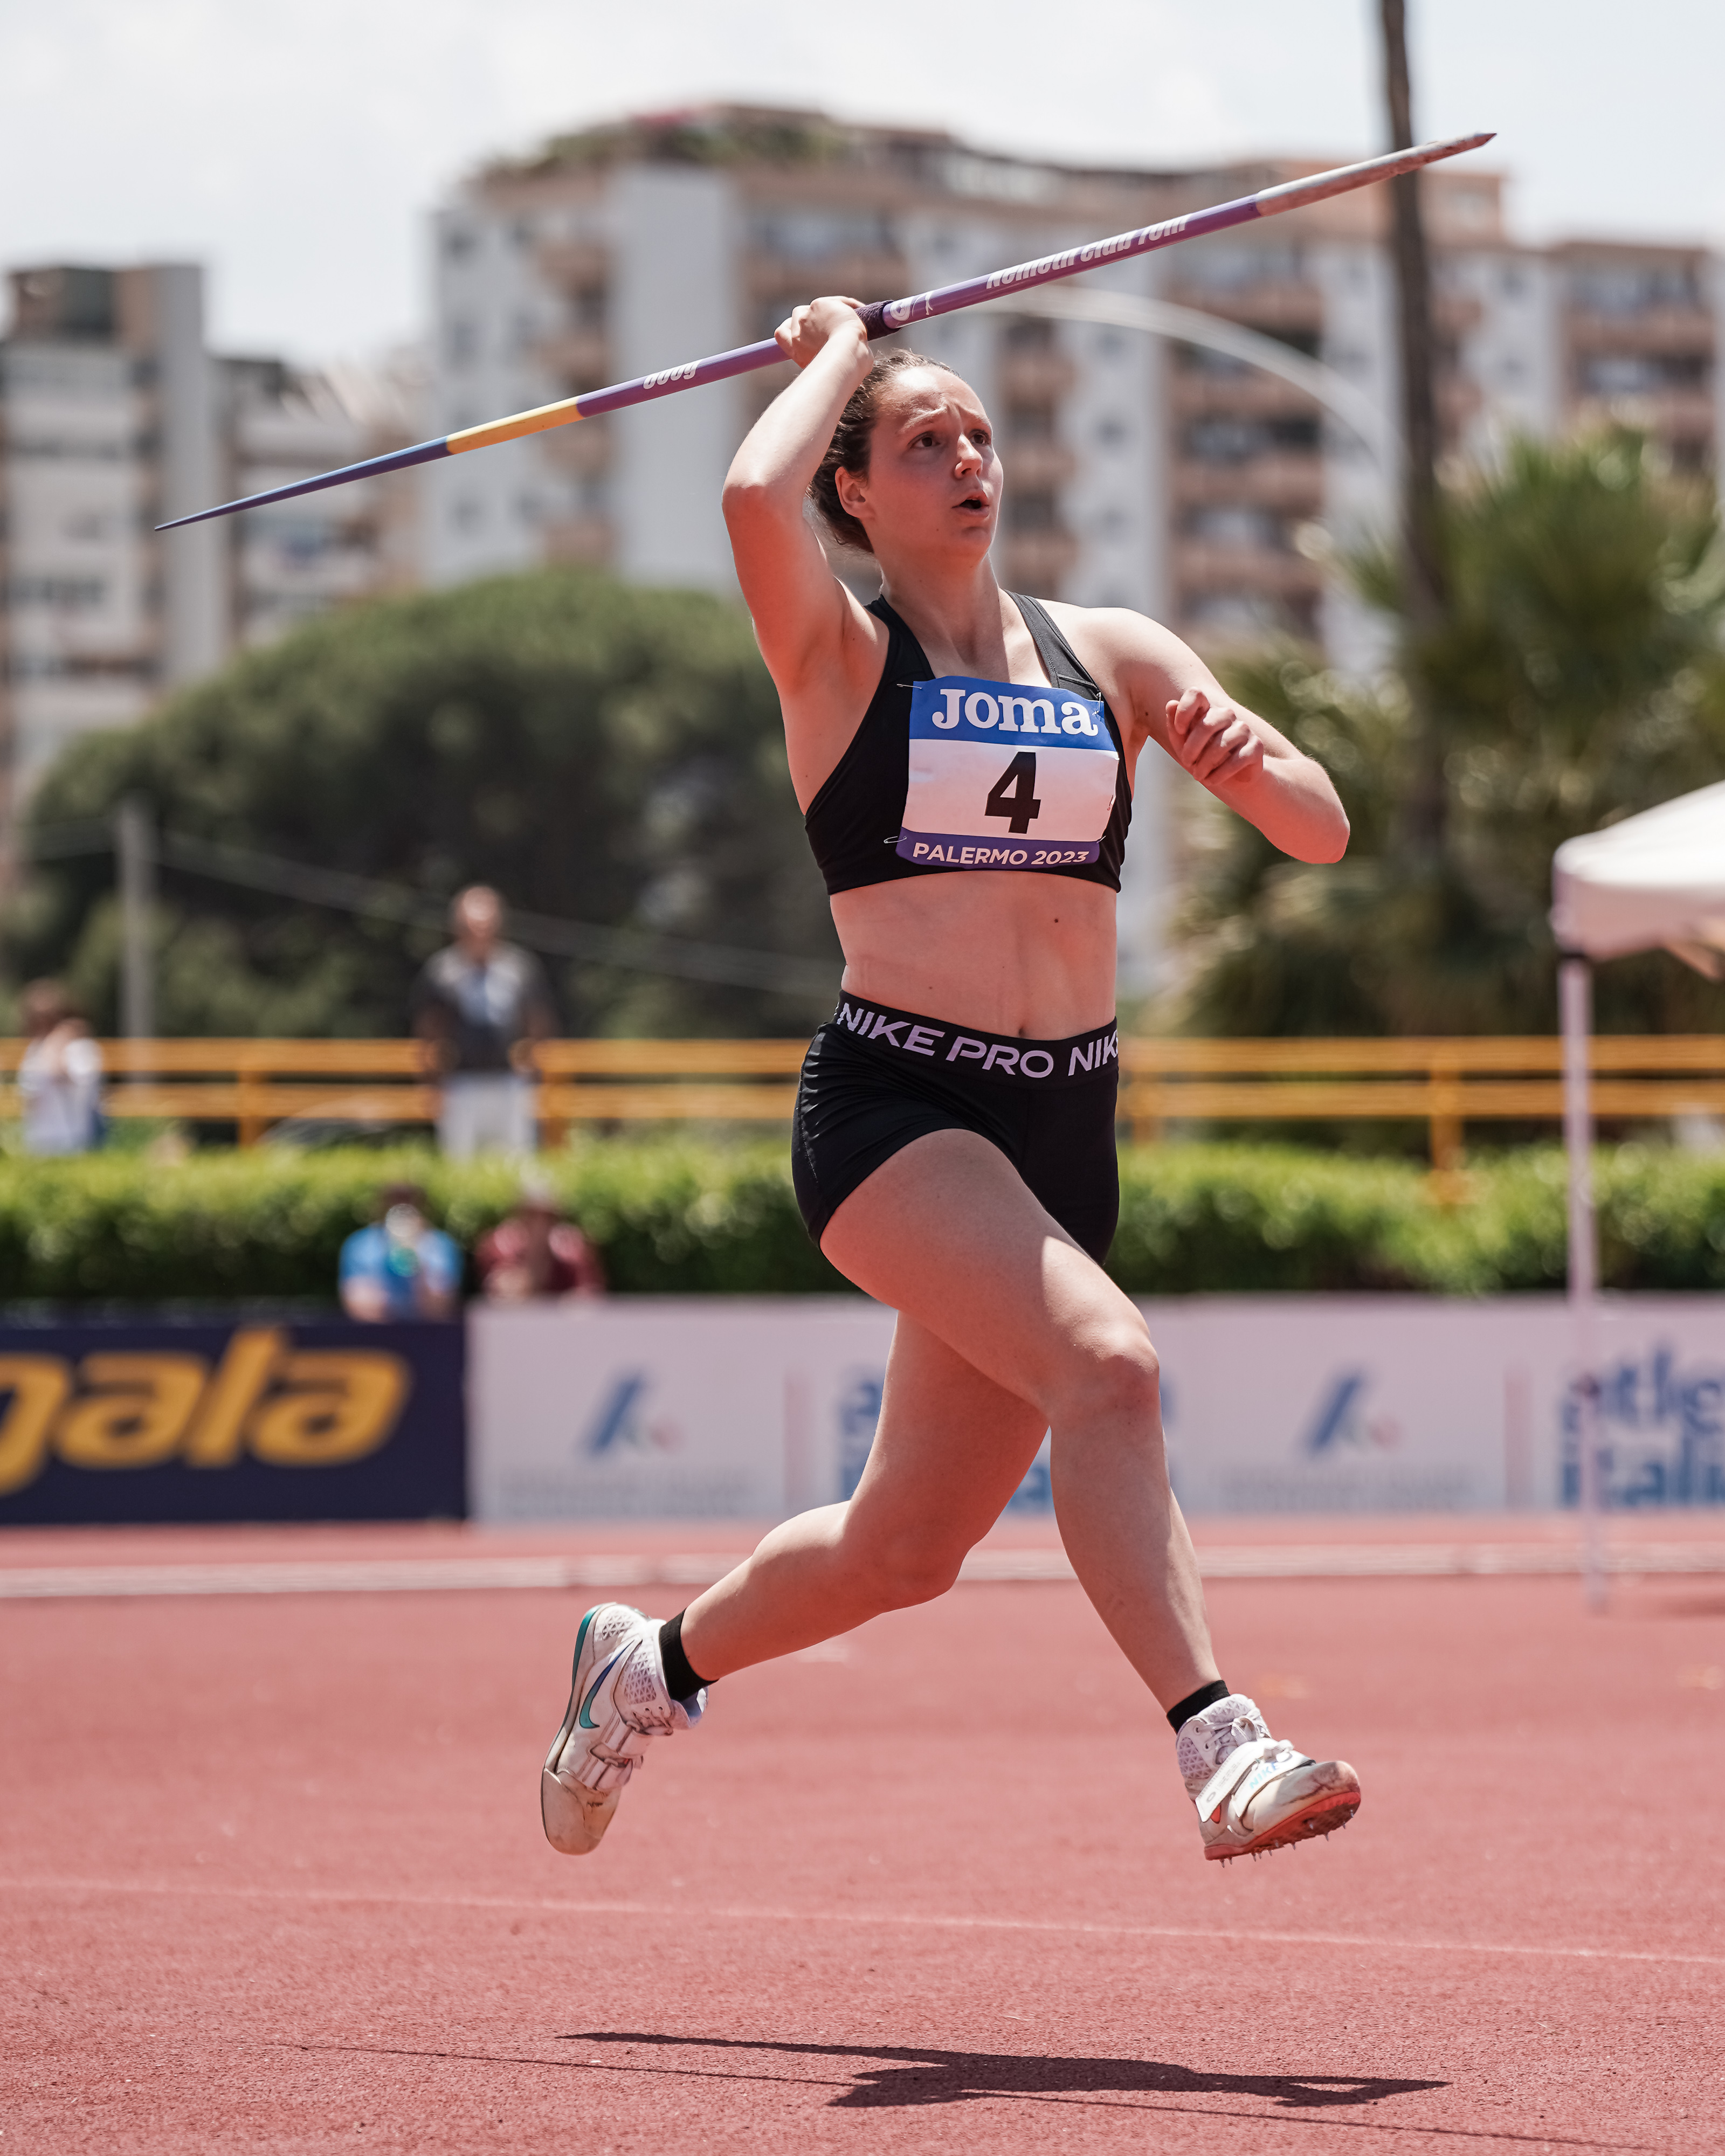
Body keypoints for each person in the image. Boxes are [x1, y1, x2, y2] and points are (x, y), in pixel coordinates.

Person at [541, 303, 1362, 1868]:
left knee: (904, 1547)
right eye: (927, 442)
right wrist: (835, 352)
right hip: (898, 1112)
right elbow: (749, 496)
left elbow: (1320, 830)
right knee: (1110, 1369)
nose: (971, 459)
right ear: (856, 490)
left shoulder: (1112, 652)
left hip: (1064, 1123)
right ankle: (1222, 1745)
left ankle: (646, 1669)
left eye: (980, 435)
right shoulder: (841, 656)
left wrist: (1244, 757)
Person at [410, 887, 555, 1159]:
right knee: (460, 1164)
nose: (480, 933)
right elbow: (428, 1029)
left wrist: (534, 1069)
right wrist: (432, 1081)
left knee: (517, 1162)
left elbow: (538, 1020)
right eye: (471, 926)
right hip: (461, 1083)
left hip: (509, 1082)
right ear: (458, 928)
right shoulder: (442, 970)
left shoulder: (519, 967)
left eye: (486, 925)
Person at [338, 1183, 462, 1322]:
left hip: (427, 1333)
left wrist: (418, 1263)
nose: (402, 1211)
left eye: (410, 1202)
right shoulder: (361, 1245)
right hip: (376, 1334)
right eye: (395, 1202)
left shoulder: (440, 1246)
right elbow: (360, 1308)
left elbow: (440, 1308)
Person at [475, 1179, 606, 1301]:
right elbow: (495, 1290)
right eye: (531, 1215)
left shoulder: (571, 1252)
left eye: (546, 1217)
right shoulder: (502, 1247)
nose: (539, 1224)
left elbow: (589, 1293)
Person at [17, 980, 103, 1156]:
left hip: (73, 1142)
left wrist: (56, 1043)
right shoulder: (34, 1049)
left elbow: (63, 1076)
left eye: (47, 1018)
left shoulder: (81, 1049)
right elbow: (30, 1097)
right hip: (39, 1143)